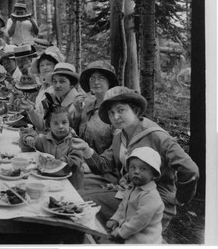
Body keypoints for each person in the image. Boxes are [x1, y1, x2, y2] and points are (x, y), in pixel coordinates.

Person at [71, 86, 199, 230]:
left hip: (153, 200)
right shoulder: (120, 136)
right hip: (130, 193)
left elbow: (190, 170)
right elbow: (103, 165)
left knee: (85, 202)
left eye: (121, 110)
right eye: (111, 113)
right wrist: (86, 150)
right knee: (76, 192)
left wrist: (179, 199)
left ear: (136, 110)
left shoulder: (156, 135)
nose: (116, 117)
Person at [107, 147, 164, 244]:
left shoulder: (150, 196)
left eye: (143, 169)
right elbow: (123, 206)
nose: (136, 171)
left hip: (144, 239)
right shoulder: (132, 187)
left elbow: (139, 221)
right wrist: (115, 219)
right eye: (132, 167)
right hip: (130, 231)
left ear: (154, 175)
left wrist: (121, 233)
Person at [20, 106, 84, 189]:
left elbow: (76, 162)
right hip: (48, 182)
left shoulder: (76, 143)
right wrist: (27, 138)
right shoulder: (43, 139)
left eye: (64, 122)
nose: (60, 126)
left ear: (69, 124)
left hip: (71, 185)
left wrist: (59, 162)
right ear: (49, 126)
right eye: (56, 123)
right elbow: (26, 148)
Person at [77, 60, 119, 155]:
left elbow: (117, 145)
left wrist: (98, 163)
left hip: (104, 165)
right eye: (92, 79)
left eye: (101, 78)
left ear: (109, 82)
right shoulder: (87, 106)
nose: (95, 82)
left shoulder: (114, 110)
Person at [29, 45, 65, 123]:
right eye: (42, 65)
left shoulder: (56, 88)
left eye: (48, 64)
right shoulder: (44, 86)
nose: (45, 68)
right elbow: (39, 108)